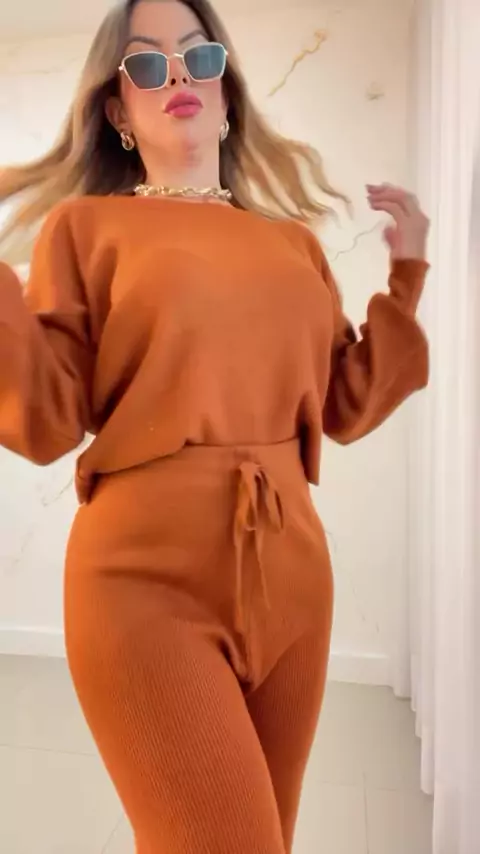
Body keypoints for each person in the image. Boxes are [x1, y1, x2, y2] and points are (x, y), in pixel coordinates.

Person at [0, 0, 430, 851]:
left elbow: (345, 404)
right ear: (118, 111)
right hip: (142, 580)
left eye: (198, 58)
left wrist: (408, 275)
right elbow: (45, 421)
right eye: (147, 64)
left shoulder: (293, 245)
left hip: (295, 575)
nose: (179, 77)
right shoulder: (87, 229)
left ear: (227, 90)